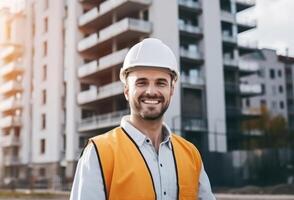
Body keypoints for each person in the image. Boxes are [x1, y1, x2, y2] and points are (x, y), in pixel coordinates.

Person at [70, 38, 216, 200]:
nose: (151, 91)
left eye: (161, 83)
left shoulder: (191, 154)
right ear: (126, 90)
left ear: (171, 90)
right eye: (141, 83)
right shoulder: (98, 153)